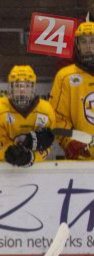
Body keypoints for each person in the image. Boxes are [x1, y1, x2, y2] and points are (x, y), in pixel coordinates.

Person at [0, 65, 56, 166]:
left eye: (27, 86)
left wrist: (31, 157)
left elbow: (46, 144)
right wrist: (11, 155)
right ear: (10, 87)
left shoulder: (46, 110)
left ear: (34, 87)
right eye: (17, 85)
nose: (22, 90)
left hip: (29, 171)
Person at [50, 21, 94, 160]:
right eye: (83, 41)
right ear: (77, 45)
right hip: (81, 160)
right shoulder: (65, 76)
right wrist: (69, 142)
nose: (88, 47)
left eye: (93, 41)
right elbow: (57, 117)